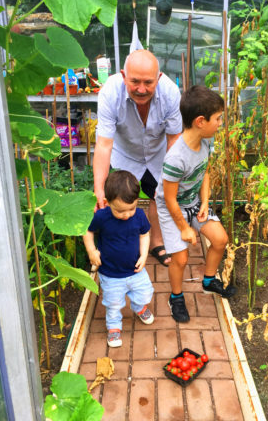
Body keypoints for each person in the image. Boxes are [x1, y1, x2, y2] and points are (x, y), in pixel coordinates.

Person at [155, 85, 236, 323]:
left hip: (193, 202)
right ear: (201, 121)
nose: (221, 123)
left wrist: (205, 202)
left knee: (220, 240)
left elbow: (205, 172)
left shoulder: (205, 143)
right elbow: (169, 198)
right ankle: (176, 297)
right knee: (180, 259)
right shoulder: (176, 158)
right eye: (218, 118)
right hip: (172, 210)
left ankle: (209, 282)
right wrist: (184, 228)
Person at [94, 49, 182, 267]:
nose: (141, 89)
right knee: (120, 201)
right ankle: (126, 245)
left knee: (159, 196)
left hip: (158, 154)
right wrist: (99, 188)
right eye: (134, 81)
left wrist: (172, 179)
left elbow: (174, 140)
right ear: (124, 76)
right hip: (125, 156)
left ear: (158, 78)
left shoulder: (170, 92)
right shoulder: (109, 94)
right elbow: (104, 144)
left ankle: (157, 242)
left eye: (148, 82)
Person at [82, 170, 154, 347]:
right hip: (111, 274)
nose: (127, 214)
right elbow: (87, 230)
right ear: (107, 203)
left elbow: (144, 234)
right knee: (113, 304)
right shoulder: (102, 217)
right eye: (120, 210)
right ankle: (114, 328)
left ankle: (138, 307)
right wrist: (92, 251)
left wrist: (144, 255)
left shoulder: (138, 216)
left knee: (145, 293)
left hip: (135, 270)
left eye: (131, 208)